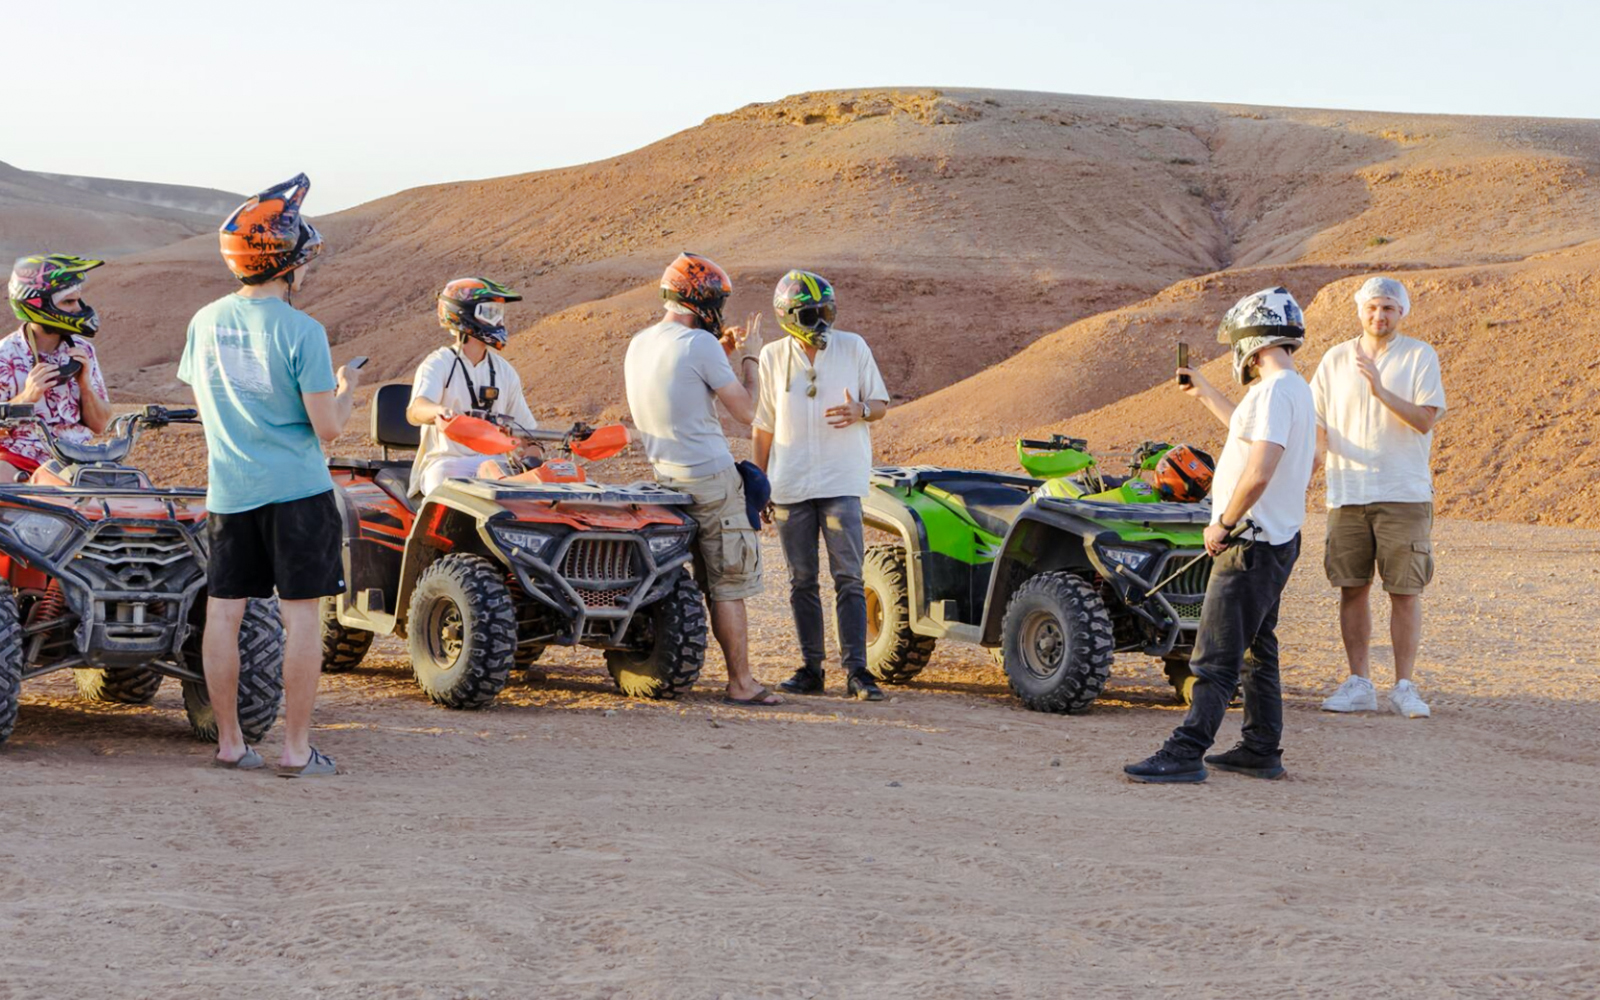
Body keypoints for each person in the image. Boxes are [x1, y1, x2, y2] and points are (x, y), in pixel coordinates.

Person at [178, 174, 362, 776]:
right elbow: (326, 427)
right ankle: (295, 749)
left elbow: (208, 404)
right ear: (286, 262)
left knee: (224, 613)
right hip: (297, 492)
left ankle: (230, 743)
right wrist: (347, 392)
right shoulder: (301, 330)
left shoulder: (204, 321)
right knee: (300, 616)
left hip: (230, 490)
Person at [1125, 287, 1316, 783]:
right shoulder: (1292, 388)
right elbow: (1248, 435)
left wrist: (1223, 523)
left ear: (1251, 343)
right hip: (1276, 540)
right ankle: (1260, 747)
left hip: (1249, 543)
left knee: (1214, 652)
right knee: (1257, 648)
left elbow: (1259, 470)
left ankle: (1186, 751)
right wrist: (1205, 392)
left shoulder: (1274, 392)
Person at [623, 252, 781, 706]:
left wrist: (723, 354)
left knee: (684, 580)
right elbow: (748, 411)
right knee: (727, 585)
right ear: (702, 301)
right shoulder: (700, 345)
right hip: (709, 479)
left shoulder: (641, 342)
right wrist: (751, 359)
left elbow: (683, 388)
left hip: (665, 478)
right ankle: (742, 682)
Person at [752, 270, 891, 701]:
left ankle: (857, 672)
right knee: (801, 580)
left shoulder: (853, 347)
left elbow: (882, 404)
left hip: (840, 479)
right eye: (813, 314)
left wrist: (860, 410)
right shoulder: (774, 357)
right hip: (790, 483)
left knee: (848, 577)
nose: (822, 323)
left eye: (827, 312)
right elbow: (764, 425)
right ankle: (811, 669)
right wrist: (758, 485)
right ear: (790, 316)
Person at [1313, 277, 1446, 719]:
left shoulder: (1419, 356)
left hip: (1402, 492)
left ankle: (1404, 685)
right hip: (1348, 492)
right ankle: (1359, 683)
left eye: (1388, 308)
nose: (1379, 316)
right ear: (1359, 310)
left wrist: (1380, 391)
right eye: (1372, 308)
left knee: (1404, 591)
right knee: (1352, 588)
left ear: (1401, 312)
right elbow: (1317, 426)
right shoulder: (1334, 360)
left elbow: (1425, 420)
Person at [406, 278, 542, 496]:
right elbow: (416, 409)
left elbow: (527, 431)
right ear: (464, 315)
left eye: (499, 313)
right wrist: (438, 412)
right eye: (490, 313)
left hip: (496, 464)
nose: (497, 321)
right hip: (449, 462)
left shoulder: (504, 371)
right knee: (443, 484)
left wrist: (533, 456)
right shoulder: (438, 363)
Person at [2, 254, 113, 480]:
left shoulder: (83, 351)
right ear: (38, 303)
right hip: (21, 461)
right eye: (68, 302)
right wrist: (28, 396)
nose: (78, 308)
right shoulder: (5, 355)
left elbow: (100, 425)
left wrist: (85, 386)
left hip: (78, 460)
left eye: (78, 300)